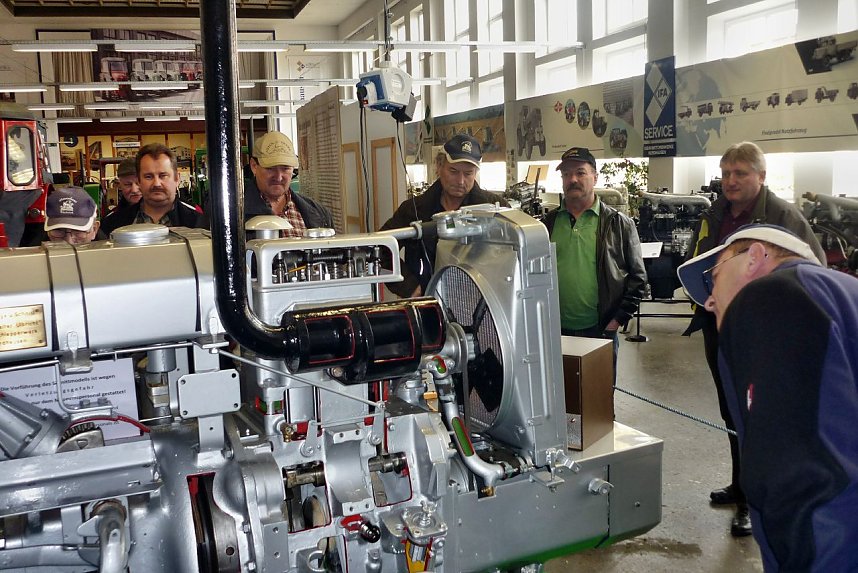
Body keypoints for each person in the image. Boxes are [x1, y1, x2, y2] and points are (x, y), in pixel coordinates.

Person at [678, 224, 858, 572]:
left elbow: (804, 472)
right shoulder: (842, 293)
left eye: (713, 278)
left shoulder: (772, 295)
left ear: (755, 257)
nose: (710, 301)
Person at [685, 141, 825, 537]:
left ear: (761, 177)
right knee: (732, 409)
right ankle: (740, 484)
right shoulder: (714, 213)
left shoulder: (784, 216)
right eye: (726, 173)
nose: (731, 181)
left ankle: (754, 501)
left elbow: (815, 268)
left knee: (759, 414)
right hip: (720, 324)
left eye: (740, 173)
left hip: (766, 332)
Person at [542, 146, 646, 367]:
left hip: (600, 331)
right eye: (566, 174)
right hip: (554, 331)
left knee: (598, 389)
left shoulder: (618, 224)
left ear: (595, 177)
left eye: (580, 172)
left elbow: (638, 279)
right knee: (559, 388)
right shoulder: (546, 224)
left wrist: (616, 321)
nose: (573, 179)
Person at [380, 133, 507, 297]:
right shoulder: (413, 209)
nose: (460, 181)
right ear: (439, 166)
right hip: (426, 302)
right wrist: (409, 287)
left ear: (475, 172)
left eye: (468, 173)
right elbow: (380, 249)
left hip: (479, 303)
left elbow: (515, 255)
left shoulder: (497, 208)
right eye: (453, 171)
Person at [200, 131, 332, 236]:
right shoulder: (224, 213)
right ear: (254, 166)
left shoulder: (320, 214)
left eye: (285, 168)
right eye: (270, 168)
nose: (279, 177)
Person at [100, 144, 201, 237]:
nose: (156, 183)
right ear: (139, 181)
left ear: (177, 179)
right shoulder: (111, 225)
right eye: (148, 177)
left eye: (163, 175)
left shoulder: (199, 223)